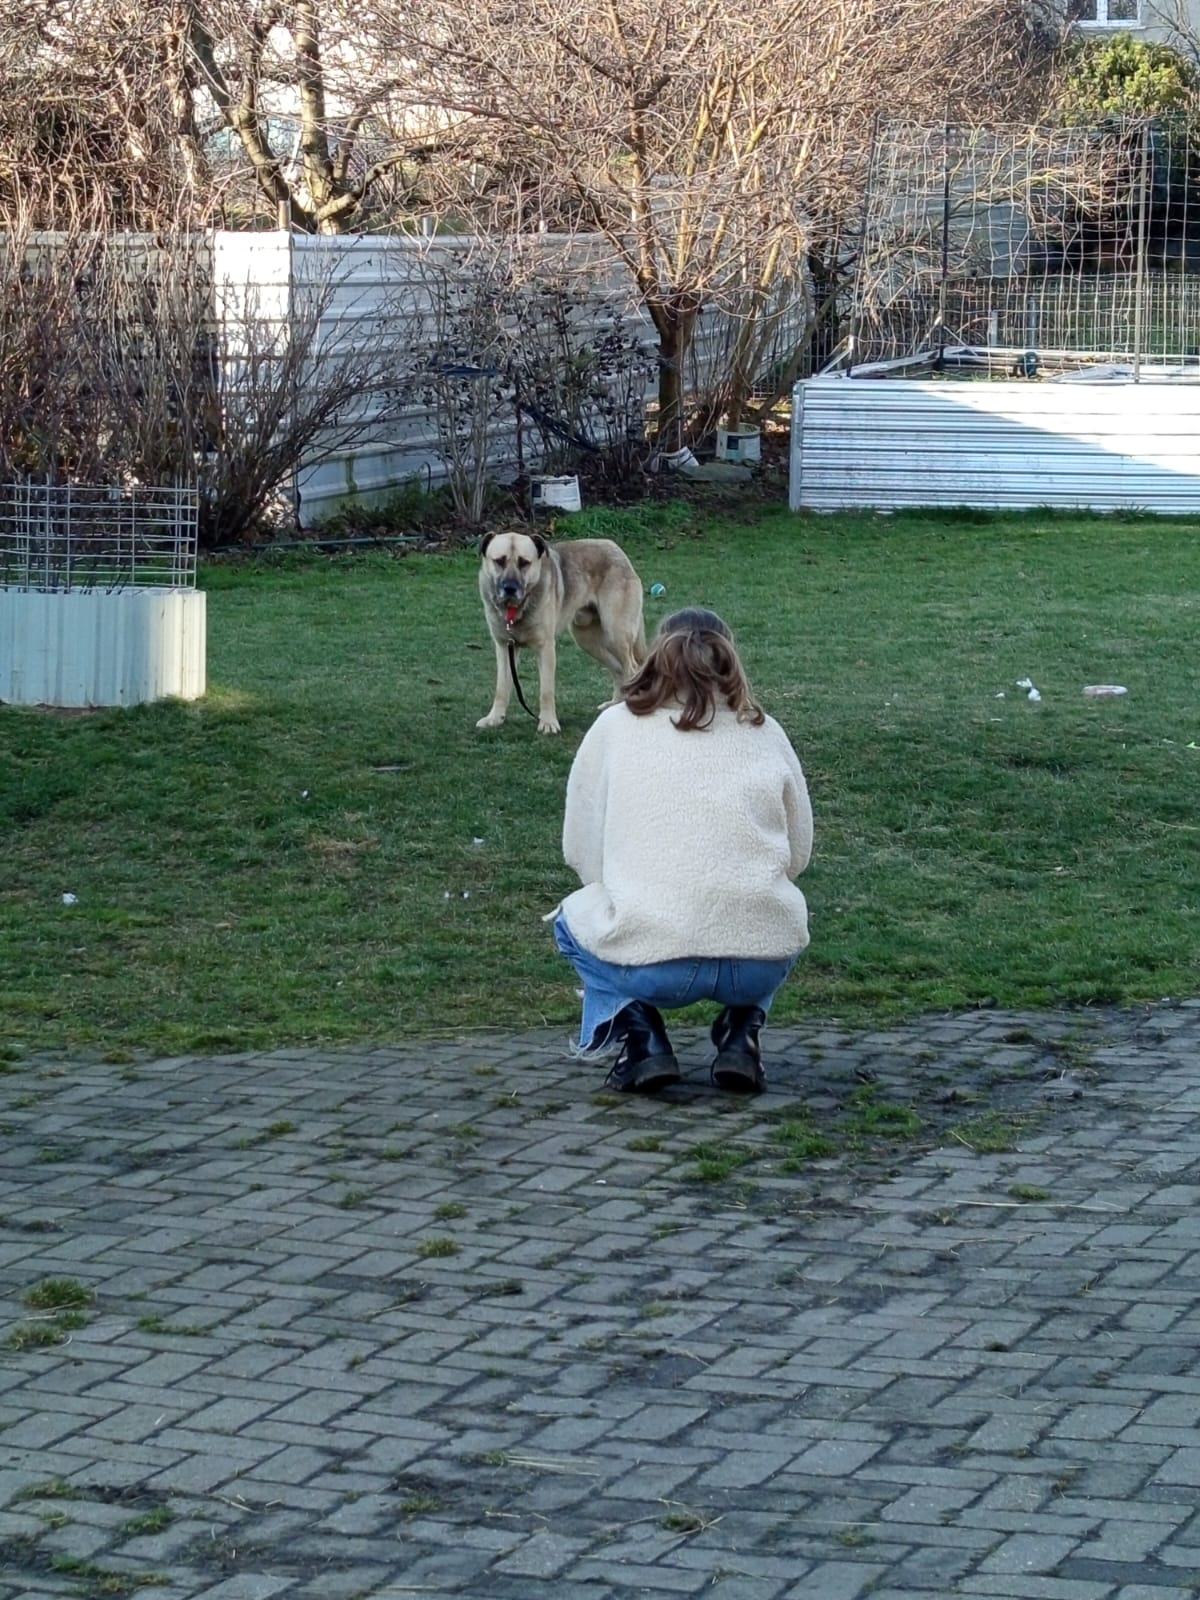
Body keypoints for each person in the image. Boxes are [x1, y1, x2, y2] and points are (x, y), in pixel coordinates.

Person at [551, 608, 813, 1095]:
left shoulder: (615, 727)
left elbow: (580, 849)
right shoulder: (764, 729)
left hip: (655, 963)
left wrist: (627, 887)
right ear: (729, 657)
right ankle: (742, 1034)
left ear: (657, 654)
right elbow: (797, 854)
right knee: (781, 910)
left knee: (569, 921)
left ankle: (642, 1038)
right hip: (757, 962)